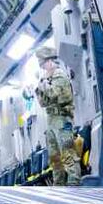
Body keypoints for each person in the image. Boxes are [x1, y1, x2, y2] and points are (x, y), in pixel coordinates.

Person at [34, 46, 81, 186]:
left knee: (67, 153)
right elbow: (44, 103)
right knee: (55, 157)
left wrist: (43, 84)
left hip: (62, 120)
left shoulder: (59, 75)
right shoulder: (48, 79)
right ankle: (58, 184)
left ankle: (74, 182)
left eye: (43, 64)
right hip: (51, 121)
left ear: (49, 62)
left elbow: (54, 94)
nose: (43, 68)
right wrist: (39, 90)